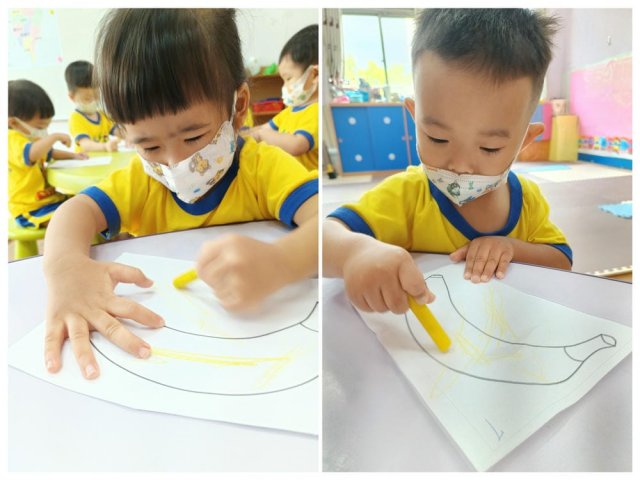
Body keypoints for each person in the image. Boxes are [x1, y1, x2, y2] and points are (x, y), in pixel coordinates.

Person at [43, 9, 318, 380]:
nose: (175, 161)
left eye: (193, 137)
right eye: (149, 146)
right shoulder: (141, 182)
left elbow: (326, 224)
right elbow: (76, 211)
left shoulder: (262, 168)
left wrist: (283, 262)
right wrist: (65, 269)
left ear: (238, 107)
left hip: (265, 348)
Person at [324, 9, 572, 315]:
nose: (460, 166)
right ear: (415, 117)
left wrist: (512, 249)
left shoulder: (527, 201)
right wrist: (353, 253)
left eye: (489, 147)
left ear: (525, 140)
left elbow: (562, 260)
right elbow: (324, 237)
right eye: (438, 138)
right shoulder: (407, 197)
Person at [8, 79, 87, 228]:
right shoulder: (10, 139)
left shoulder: (30, 139)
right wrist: (54, 137)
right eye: (40, 127)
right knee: (73, 219)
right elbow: (31, 154)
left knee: (88, 203)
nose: (44, 131)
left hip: (50, 200)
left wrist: (74, 156)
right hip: (30, 209)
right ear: (14, 123)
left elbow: (50, 153)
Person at [243, 25, 319, 171]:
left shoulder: (315, 112)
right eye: (283, 80)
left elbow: (297, 144)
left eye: (289, 79)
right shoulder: (289, 112)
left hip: (306, 181)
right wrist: (241, 135)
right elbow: (263, 127)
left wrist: (260, 135)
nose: (284, 87)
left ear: (314, 75)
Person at [65, 60, 119, 152]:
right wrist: (105, 147)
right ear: (72, 97)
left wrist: (129, 135)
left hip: (107, 159)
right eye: (87, 98)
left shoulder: (103, 115)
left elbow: (118, 132)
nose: (93, 101)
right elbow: (85, 144)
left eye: (97, 96)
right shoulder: (76, 119)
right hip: (87, 159)